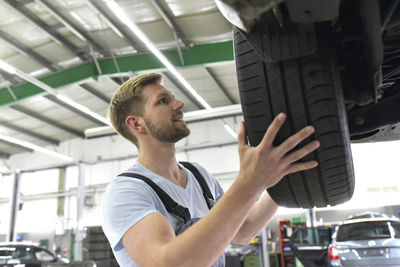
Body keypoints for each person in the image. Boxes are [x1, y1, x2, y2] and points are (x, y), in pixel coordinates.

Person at [102, 73, 320, 267]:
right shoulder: (126, 192)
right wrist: (250, 182)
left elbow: (243, 230)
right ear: (136, 124)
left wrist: (281, 172)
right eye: (163, 101)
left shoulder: (198, 175)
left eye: (173, 97)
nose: (179, 104)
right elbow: (170, 263)